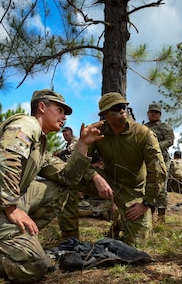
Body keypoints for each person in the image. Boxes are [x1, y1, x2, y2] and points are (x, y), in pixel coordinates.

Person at [0, 89, 104, 283]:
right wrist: (10, 206)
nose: (64, 117)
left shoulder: (40, 146)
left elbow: (67, 178)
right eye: (59, 110)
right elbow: (7, 157)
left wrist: (83, 144)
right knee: (34, 266)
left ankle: (16, 236)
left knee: (59, 188)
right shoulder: (26, 124)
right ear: (42, 107)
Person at [79, 92, 167, 245]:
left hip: (134, 190)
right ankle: (69, 236)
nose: (122, 110)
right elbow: (76, 163)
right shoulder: (97, 133)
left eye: (123, 106)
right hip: (108, 182)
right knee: (67, 180)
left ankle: (120, 218)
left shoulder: (143, 134)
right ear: (106, 114)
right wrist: (94, 175)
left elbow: (158, 171)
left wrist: (146, 203)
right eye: (116, 107)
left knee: (138, 244)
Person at [144, 103, 175, 223]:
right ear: (148, 113)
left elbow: (170, 140)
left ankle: (161, 216)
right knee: (149, 186)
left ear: (160, 114)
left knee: (161, 185)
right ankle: (149, 212)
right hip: (147, 160)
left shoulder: (165, 127)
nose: (153, 114)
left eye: (156, 112)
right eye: (152, 112)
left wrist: (156, 147)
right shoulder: (143, 127)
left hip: (162, 160)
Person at [54, 126, 82, 239]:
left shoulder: (75, 141)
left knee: (71, 201)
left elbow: (70, 150)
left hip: (75, 173)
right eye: (63, 135)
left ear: (71, 133)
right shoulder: (68, 143)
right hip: (68, 174)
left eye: (66, 134)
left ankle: (71, 236)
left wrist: (58, 153)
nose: (65, 137)